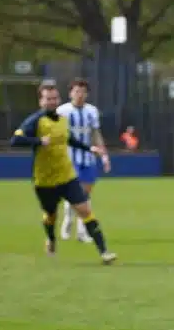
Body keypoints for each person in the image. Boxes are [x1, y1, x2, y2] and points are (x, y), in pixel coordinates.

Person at [9, 81, 116, 264]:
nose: (52, 102)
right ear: (41, 101)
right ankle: (51, 239)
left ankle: (104, 252)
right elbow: (15, 140)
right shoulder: (35, 121)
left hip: (67, 176)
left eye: (54, 98)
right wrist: (38, 141)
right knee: (51, 215)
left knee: (85, 210)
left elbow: (70, 140)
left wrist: (90, 148)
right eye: (48, 99)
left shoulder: (63, 119)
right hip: (45, 180)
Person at [60, 78, 110, 242]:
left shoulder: (92, 111)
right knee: (76, 193)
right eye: (76, 91)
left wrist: (104, 155)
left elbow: (96, 134)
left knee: (86, 195)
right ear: (70, 93)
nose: (79, 95)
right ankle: (69, 219)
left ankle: (81, 230)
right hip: (69, 157)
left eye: (82, 92)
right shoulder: (63, 111)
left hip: (88, 158)